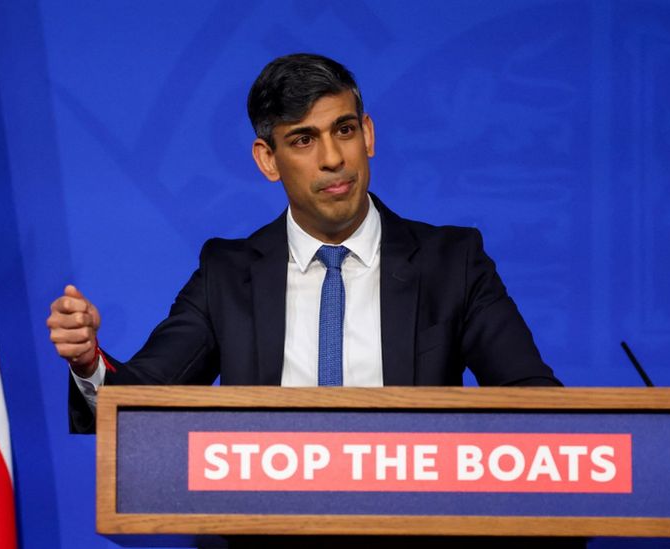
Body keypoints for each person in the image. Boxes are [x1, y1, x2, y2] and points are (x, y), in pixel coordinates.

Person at [47, 53, 561, 434]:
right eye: (303, 140)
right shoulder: (228, 274)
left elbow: (536, 402)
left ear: (369, 136)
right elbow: (142, 402)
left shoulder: (453, 262)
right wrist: (89, 362)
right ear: (267, 160)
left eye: (344, 130)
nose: (334, 158)